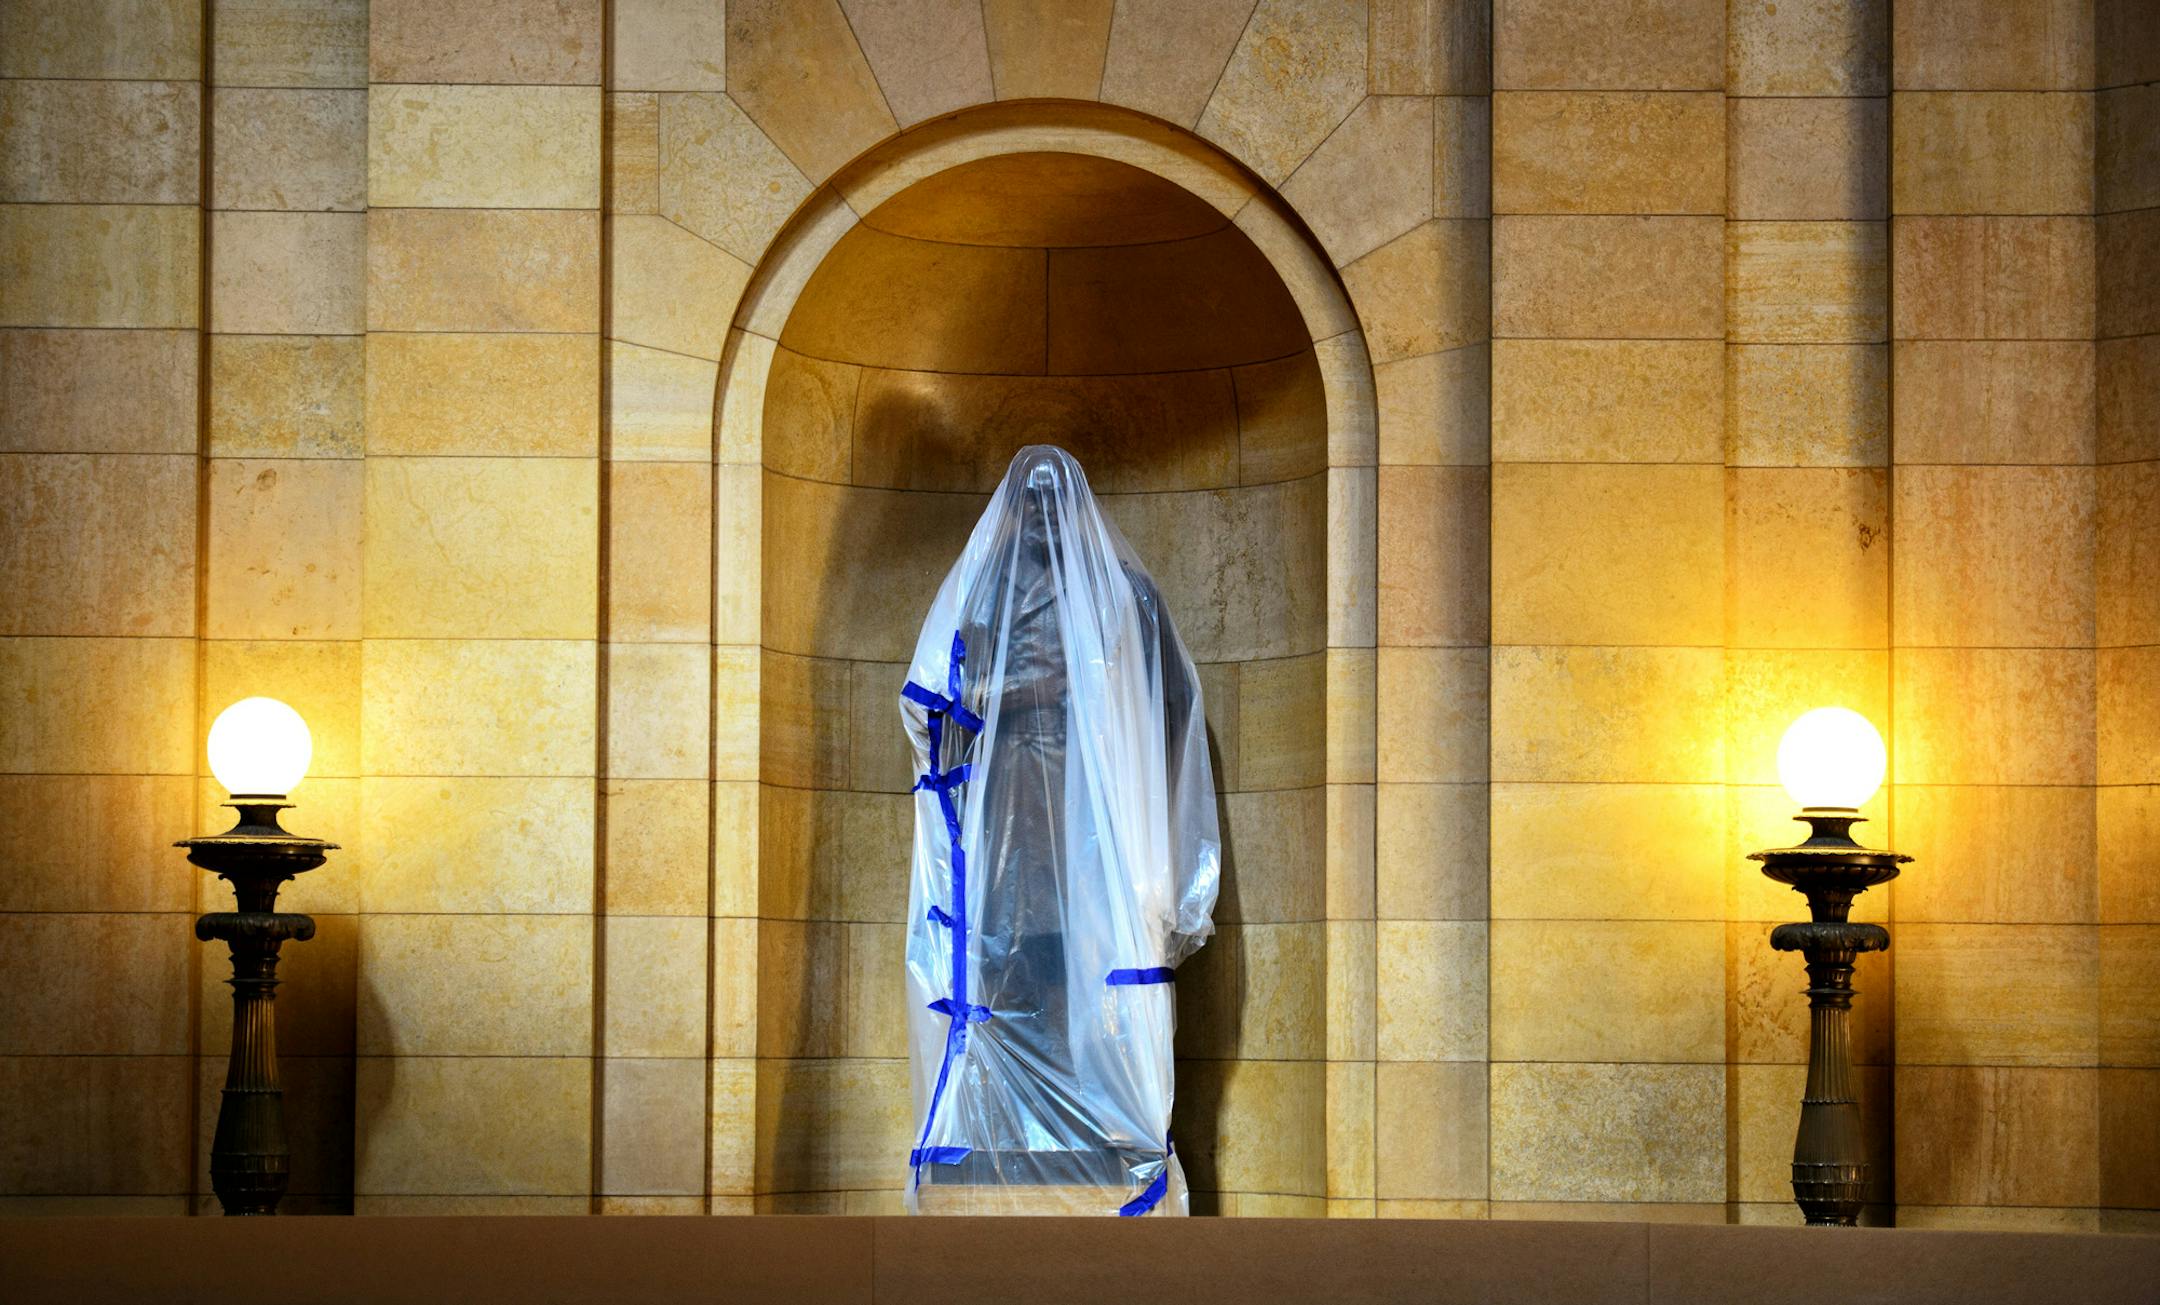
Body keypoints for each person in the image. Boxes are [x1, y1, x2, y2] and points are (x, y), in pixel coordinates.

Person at [900, 445, 1219, 1216]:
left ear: (1072, 508)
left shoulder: (1127, 597)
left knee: (1089, 973)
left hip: (1093, 833)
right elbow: (938, 696)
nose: (1041, 516)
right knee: (1006, 966)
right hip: (1010, 816)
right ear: (1013, 512)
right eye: (1029, 502)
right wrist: (1023, 692)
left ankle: (1093, 1115)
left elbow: (1169, 711)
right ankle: (1010, 1124)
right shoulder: (983, 596)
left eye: (1053, 502)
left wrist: (1091, 711)